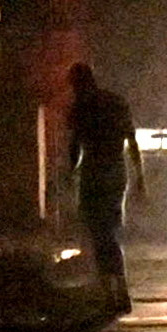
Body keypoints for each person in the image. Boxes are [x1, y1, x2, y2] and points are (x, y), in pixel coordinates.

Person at [65, 61, 139, 316]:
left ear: (78, 83)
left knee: (100, 235)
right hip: (117, 172)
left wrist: (70, 172)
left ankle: (110, 293)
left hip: (94, 173)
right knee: (111, 232)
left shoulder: (80, 107)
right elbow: (131, 140)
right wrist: (139, 176)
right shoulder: (116, 102)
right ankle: (120, 290)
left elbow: (76, 145)